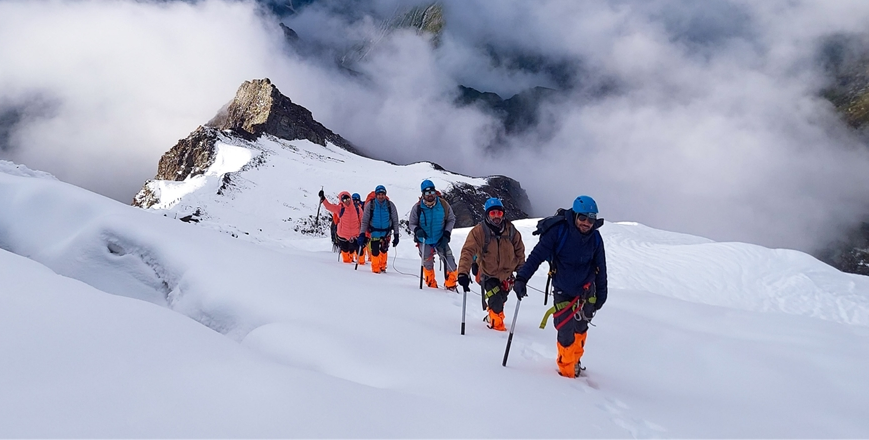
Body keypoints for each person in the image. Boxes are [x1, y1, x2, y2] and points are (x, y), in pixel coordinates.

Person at [513, 195, 608, 378]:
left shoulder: (595, 239)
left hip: (587, 291)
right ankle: (567, 372)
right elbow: (537, 256)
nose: (587, 223)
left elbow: (601, 268)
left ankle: (575, 360)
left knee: (581, 328)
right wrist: (522, 279)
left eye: (591, 219)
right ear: (575, 215)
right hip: (563, 290)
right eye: (583, 218)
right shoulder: (558, 232)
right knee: (565, 332)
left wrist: (601, 294)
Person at [456, 198, 525, 331]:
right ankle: (497, 329)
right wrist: (463, 273)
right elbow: (467, 252)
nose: (496, 217)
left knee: (501, 298)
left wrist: (522, 273)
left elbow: (519, 252)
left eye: (499, 213)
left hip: (507, 275)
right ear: (487, 215)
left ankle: (491, 316)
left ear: (503, 214)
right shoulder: (479, 232)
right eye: (492, 213)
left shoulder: (511, 231)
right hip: (488, 273)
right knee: (496, 302)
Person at [408, 179, 458, 290]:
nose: (430, 195)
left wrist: (446, 233)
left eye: (432, 192)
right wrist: (417, 230)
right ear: (423, 194)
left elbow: (451, 219)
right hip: (424, 241)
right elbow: (411, 223)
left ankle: (451, 285)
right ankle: (431, 286)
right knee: (427, 264)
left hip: (441, 239)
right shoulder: (417, 208)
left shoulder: (443, 205)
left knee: (451, 263)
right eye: (427, 192)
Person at [359, 185, 400, 274]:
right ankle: (375, 269)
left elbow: (395, 220)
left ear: (385, 194)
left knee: (384, 250)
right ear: (376, 195)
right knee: (375, 251)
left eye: (382, 194)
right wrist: (362, 233)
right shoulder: (371, 205)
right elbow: (365, 221)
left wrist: (396, 234)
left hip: (386, 233)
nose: (381, 196)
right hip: (374, 233)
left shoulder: (390, 205)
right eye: (379, 194)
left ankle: (382, 266)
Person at [319, 189, 363, 263]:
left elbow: (362, 220)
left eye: (348, 198)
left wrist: (363, 233)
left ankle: (358, 264)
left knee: (359, 251)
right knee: (345, 252)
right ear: (341, 200)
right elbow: (329, 206)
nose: (347, 201)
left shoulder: (357, 209)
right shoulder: (339, 209)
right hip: (343, 235)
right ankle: (346, 266)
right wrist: (323, 198)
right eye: (344, 199)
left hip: (355, 235)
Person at [352, 193, 369, 265]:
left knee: (363, 246)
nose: (356, 202)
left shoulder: (364, 207)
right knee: (356, 245)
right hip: (355, 230)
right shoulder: (351, 209)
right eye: (354, 201)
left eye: (357, 201)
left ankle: (361, 261)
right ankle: (357, 259)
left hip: (362, 230)